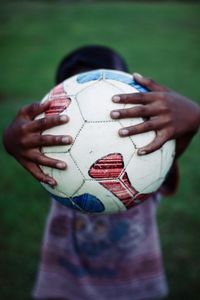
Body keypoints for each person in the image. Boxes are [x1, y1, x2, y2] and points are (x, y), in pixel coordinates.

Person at [3, 45, 200, 300]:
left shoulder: (151, 151)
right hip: (66, 283)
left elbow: (175, 148)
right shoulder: (57, 150)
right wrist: (10, 141)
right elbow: (25, 149)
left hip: (135, 285)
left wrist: (193, 117)